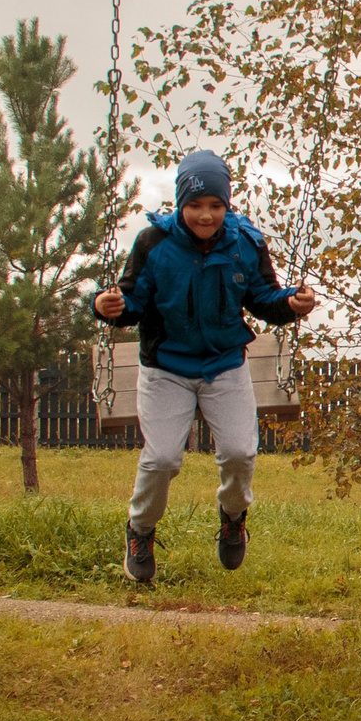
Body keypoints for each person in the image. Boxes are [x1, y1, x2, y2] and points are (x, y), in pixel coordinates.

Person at [92, 149, 316, 583]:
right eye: (195, 205)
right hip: (166, 368)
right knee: (161, 460)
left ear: (227, 205)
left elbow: (264, 297)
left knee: (239, 452)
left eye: (215, 205)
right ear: (180, 204)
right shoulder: (153, 244)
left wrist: (290, 303)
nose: (206, 215)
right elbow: (131, 301)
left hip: (224, 365)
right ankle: (140, 530)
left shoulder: (245, 243)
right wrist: (107, 308)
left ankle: (233, 518)